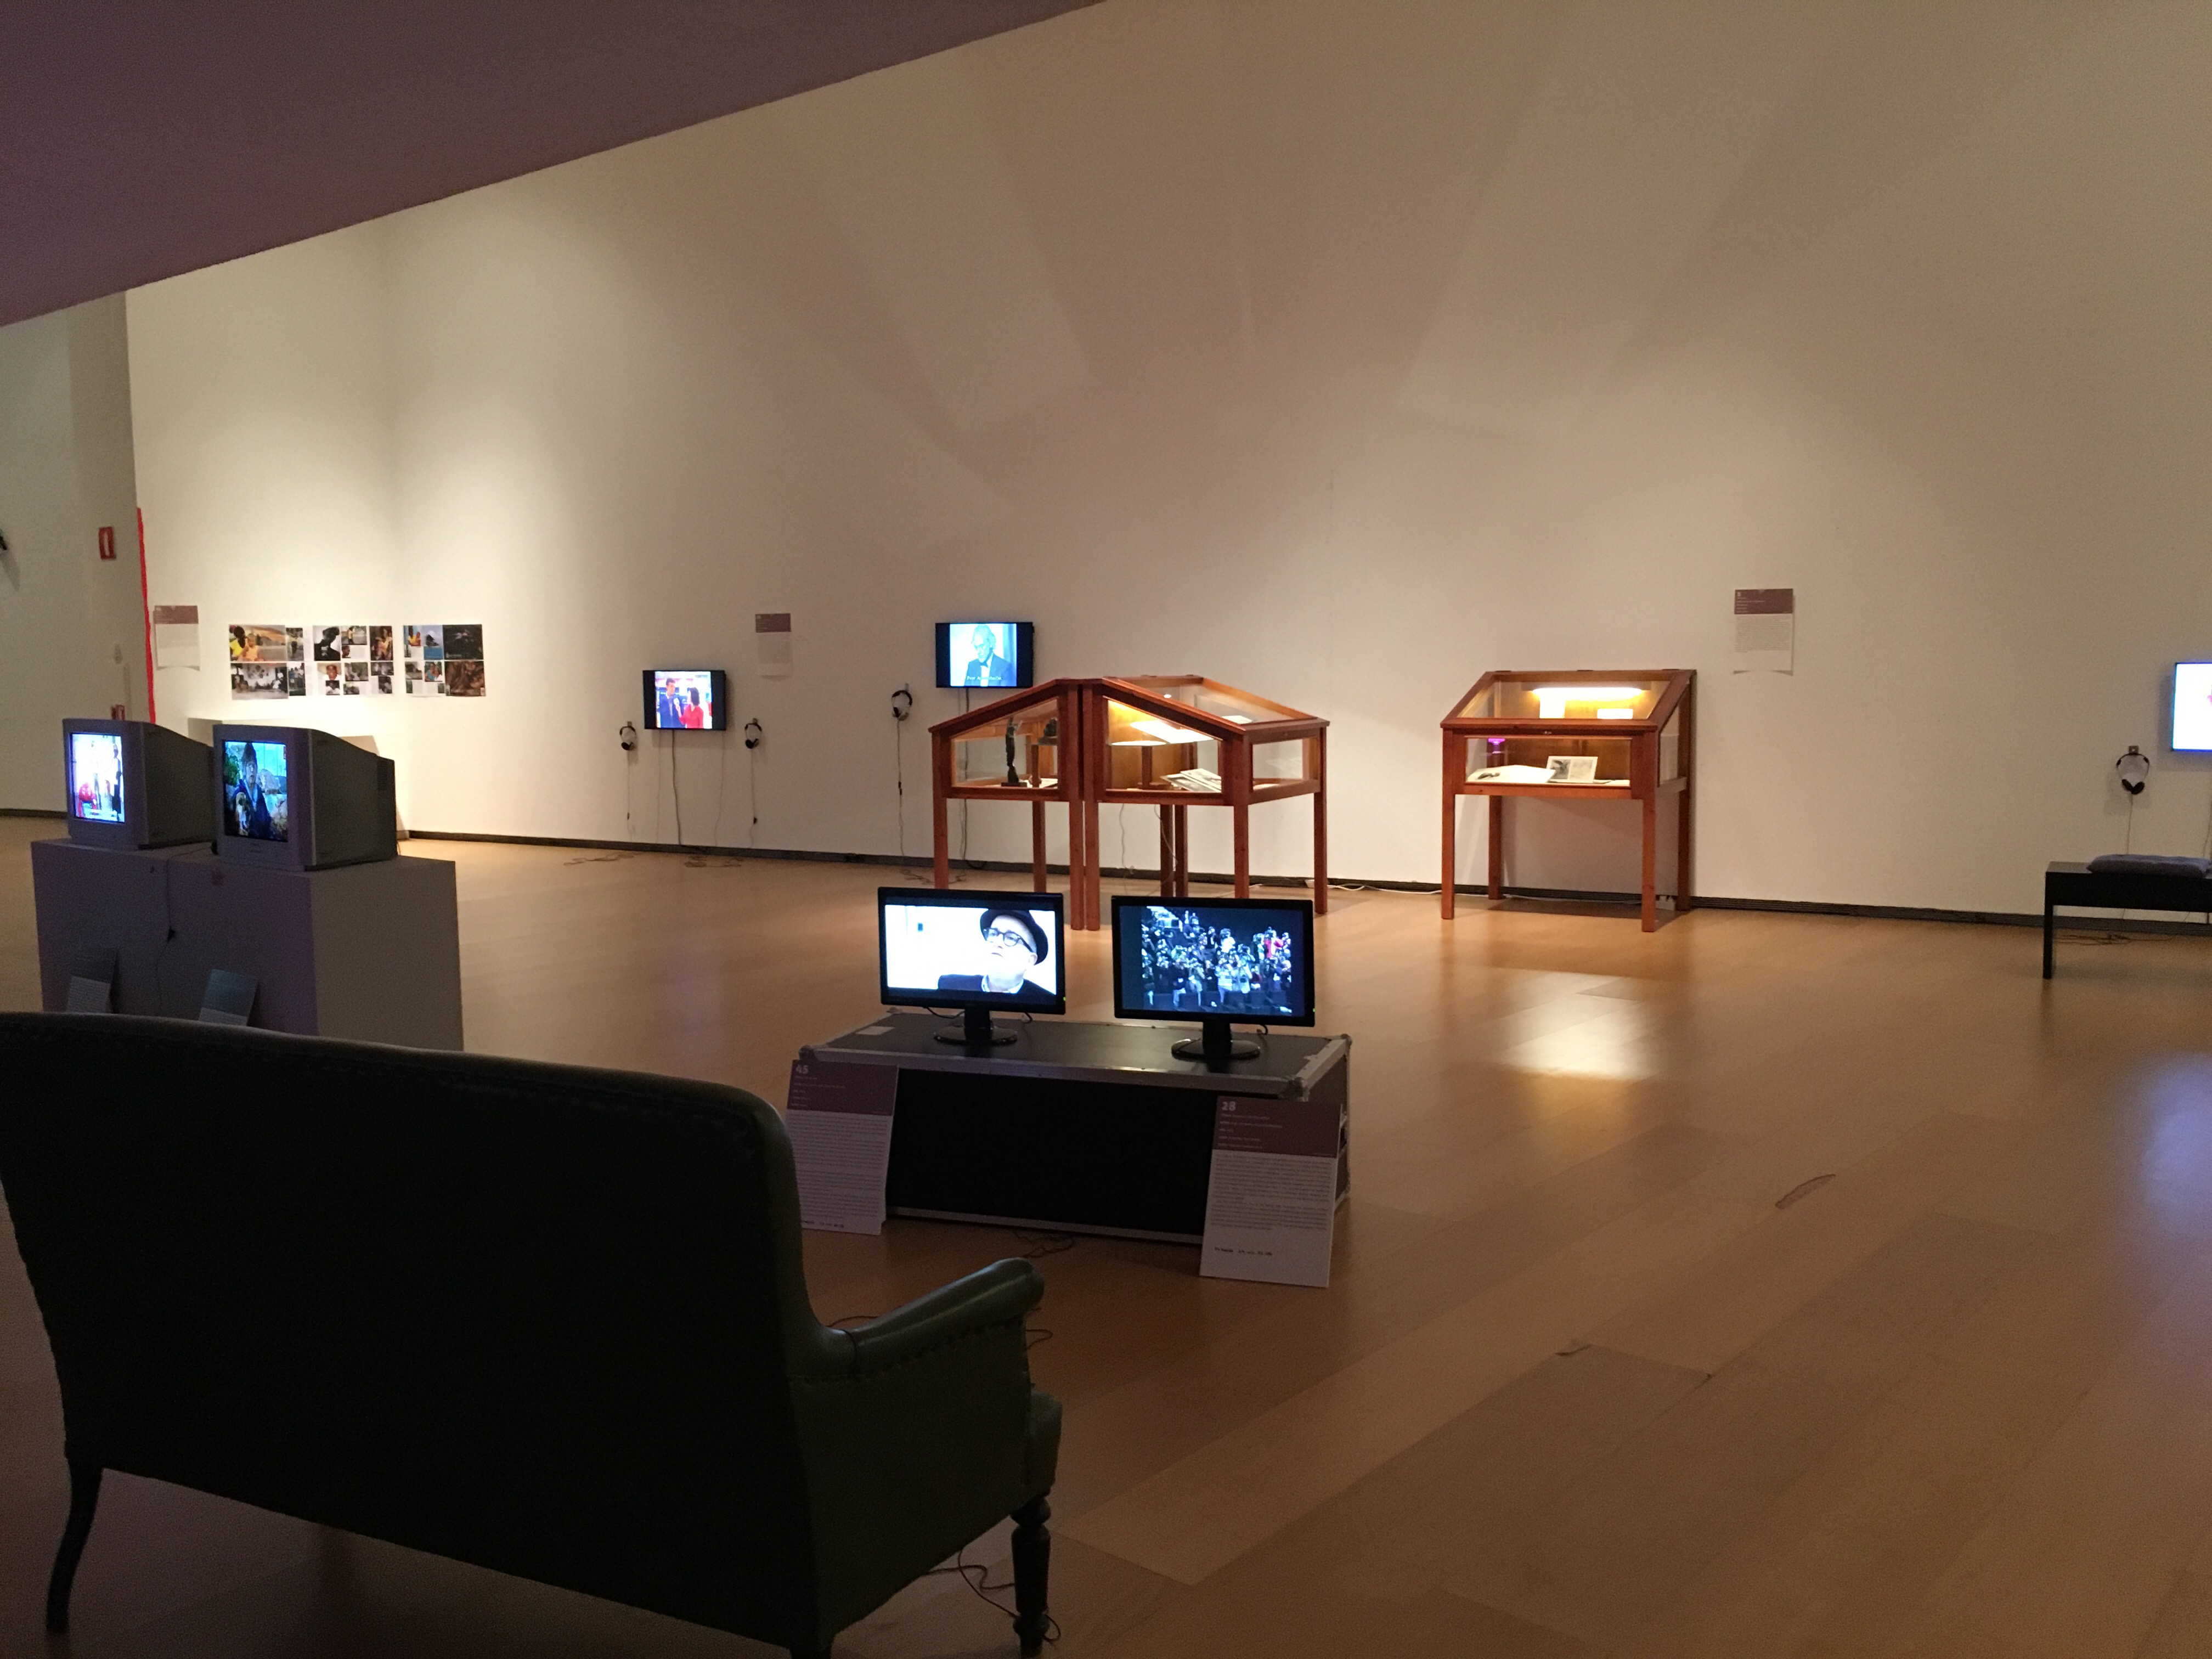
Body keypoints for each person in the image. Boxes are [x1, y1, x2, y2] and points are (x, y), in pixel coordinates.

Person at [937, 907, 1054, 1001]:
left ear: (1030, 961)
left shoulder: (1045, 1000)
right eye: (993, 934)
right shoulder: (949, 986)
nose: (997, 943)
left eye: (1011, 938)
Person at [231, 746, 275, 839]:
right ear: (244, 769)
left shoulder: (258, 792)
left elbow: (266, 820)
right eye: (249, 766)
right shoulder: (240, 793)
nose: (252, 770)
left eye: (254, 766)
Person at [962, 625, 1013, 689]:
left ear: (991, 643)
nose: (978, 651)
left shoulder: (1005, 667)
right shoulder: (972, 665)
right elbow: (966, 690)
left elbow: (1005, 693)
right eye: (976, 647)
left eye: (982, 646)